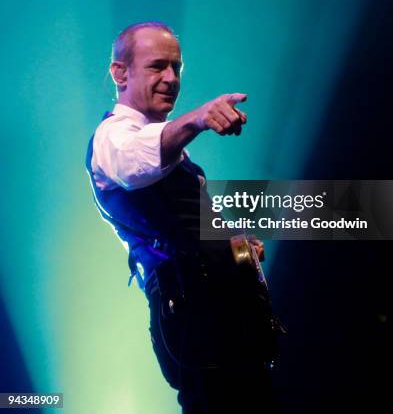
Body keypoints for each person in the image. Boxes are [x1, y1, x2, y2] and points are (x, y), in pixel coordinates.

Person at [85, 22, 281, 413]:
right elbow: (133, 163)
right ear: (119, 73)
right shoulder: (113, 137)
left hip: (226, 317)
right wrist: (199, 118)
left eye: (177, 67)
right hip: (195, 320)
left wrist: (242, 252)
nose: (171, 79)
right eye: (158, 66)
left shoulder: (171, 148)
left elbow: (201, 234)